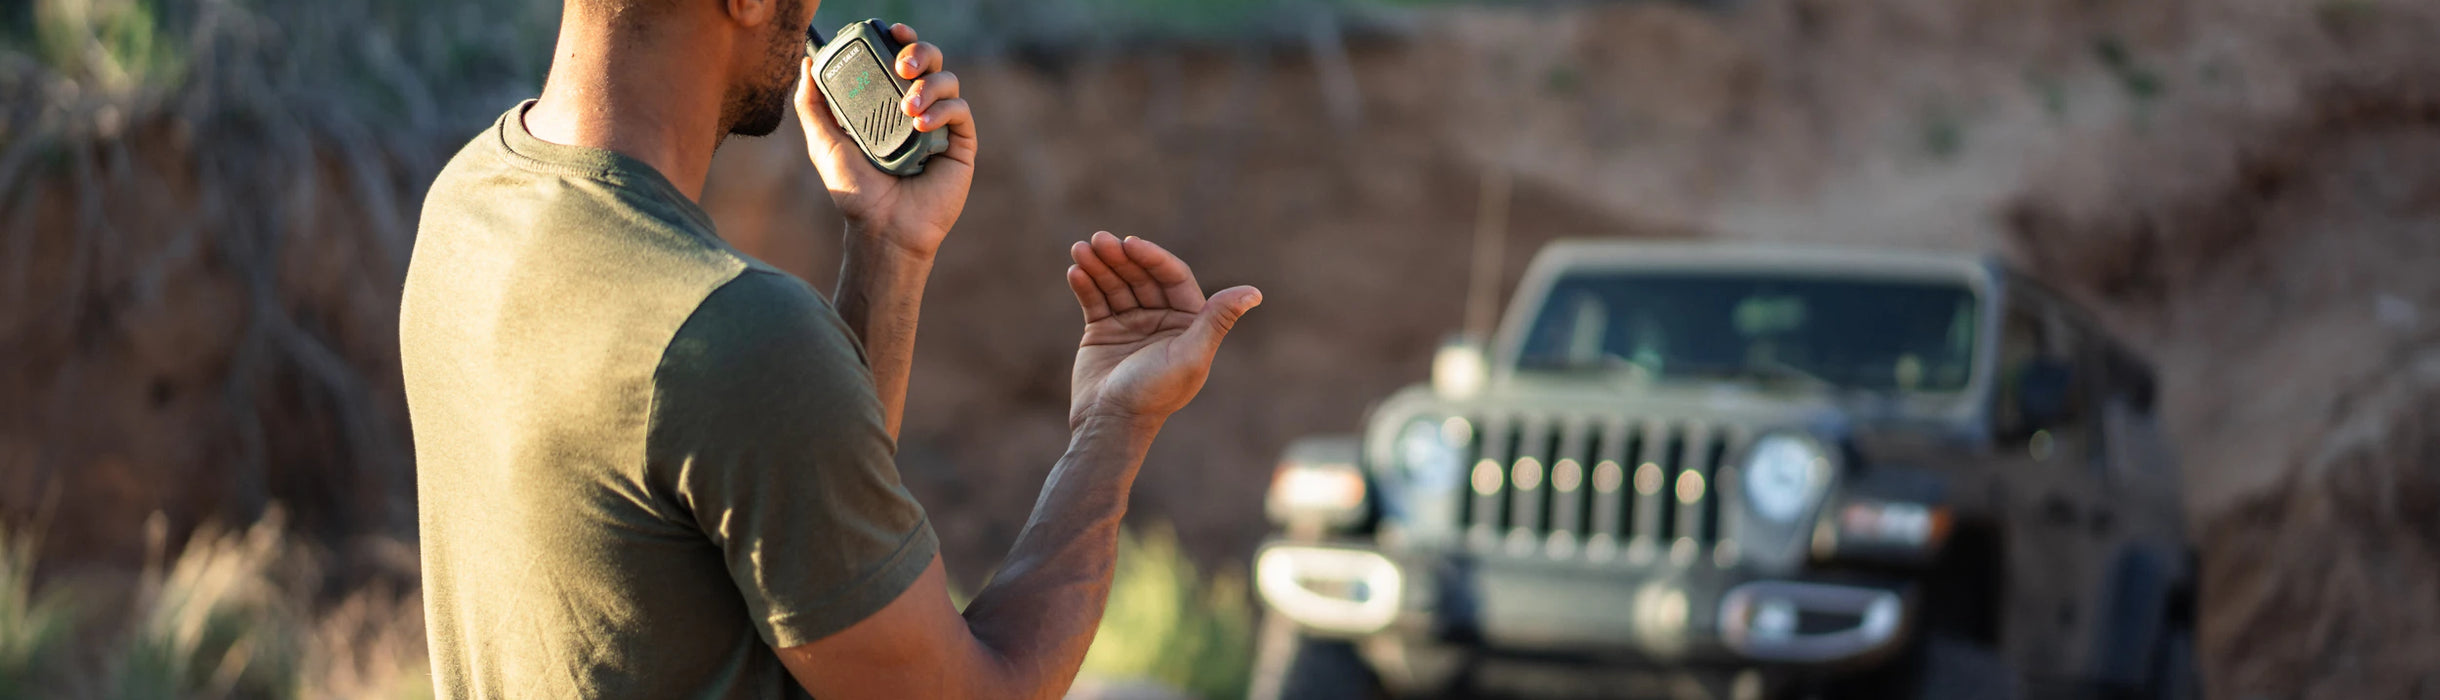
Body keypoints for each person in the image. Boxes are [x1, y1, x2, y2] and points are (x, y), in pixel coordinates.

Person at [397, 0, 1263, 697]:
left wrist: (889, 246)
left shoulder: (470, 204)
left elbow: (795, 540)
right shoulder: (727, 330)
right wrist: (1112, 425)